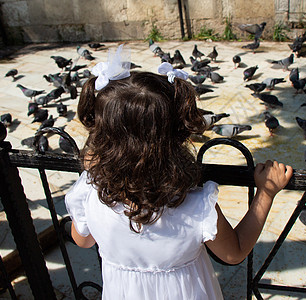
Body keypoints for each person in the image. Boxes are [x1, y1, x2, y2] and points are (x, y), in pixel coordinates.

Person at [65, 45, 293, 299]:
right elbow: (235, 252)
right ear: (173, 139)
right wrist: (266, 192)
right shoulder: (194, 206)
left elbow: (83, 240)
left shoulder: (89, 192)